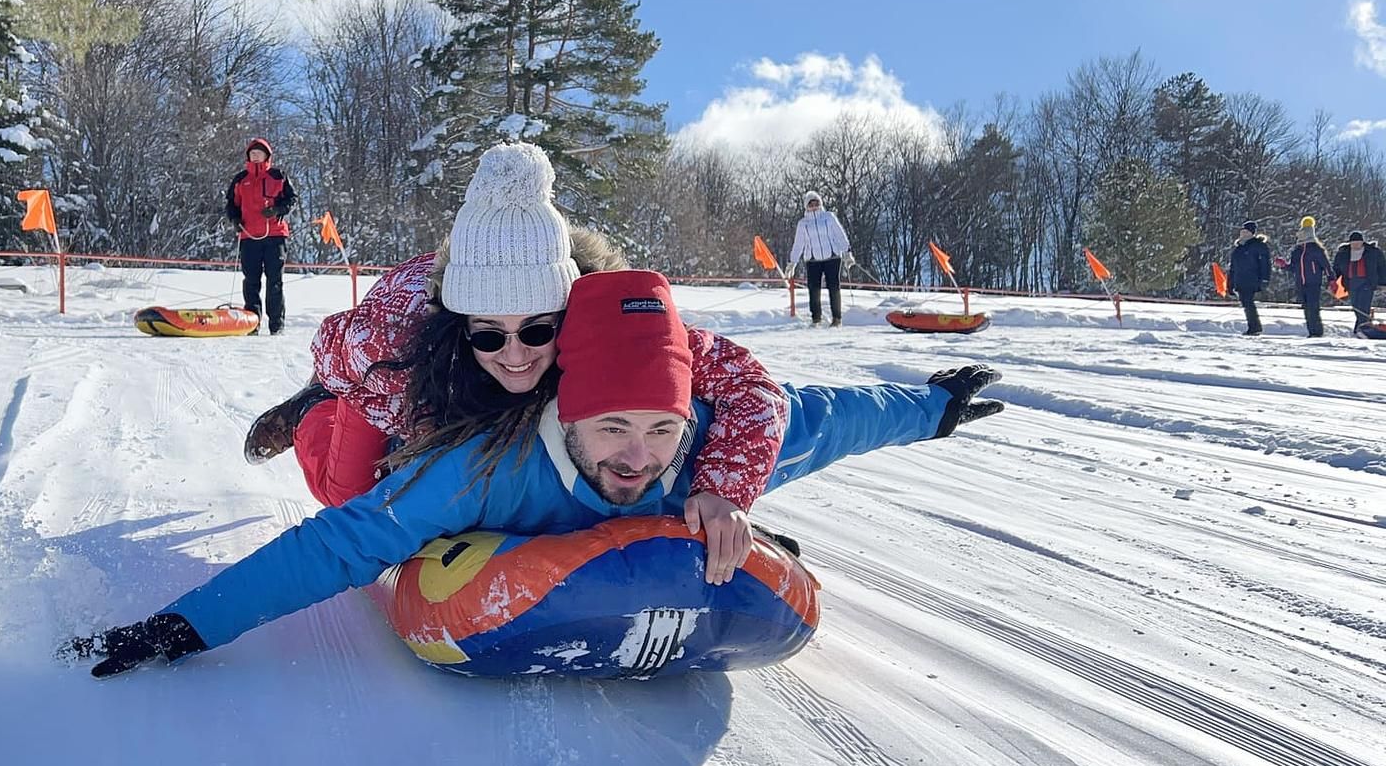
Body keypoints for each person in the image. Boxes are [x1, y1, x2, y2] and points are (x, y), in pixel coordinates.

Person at [62, 270, 1005, 678]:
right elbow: (341, 547)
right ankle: (319, 407)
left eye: (660, 431)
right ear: (569, 412)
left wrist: (932, 408)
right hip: (398, 414)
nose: (639, 458)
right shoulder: (482, 470)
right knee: (346, 478)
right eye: (613, 430)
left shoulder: (704, 452)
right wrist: (184, 626)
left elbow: (828, 419)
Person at [243, 143, 789, 535]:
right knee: (350, 494)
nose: (515, 352)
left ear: (567, 311)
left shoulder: (609, 323)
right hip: (375, 377)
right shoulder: (392, 341)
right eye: (489, 335)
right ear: (463, 325)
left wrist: (720, 487)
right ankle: (311, 414)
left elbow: (752, 387)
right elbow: (332, 347)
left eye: (537, 330)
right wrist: (413, 431)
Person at [226, 137, 296, 335]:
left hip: (275, 235)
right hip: (249, 237)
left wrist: (277, 210)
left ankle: (276, 325)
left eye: (259, 152)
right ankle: (252, 324)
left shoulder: (278, 176)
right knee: (251, 281)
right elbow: (231, 204)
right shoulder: (240, 179)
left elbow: (292, 199)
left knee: (275, 281)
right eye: (252, 153)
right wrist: (235, 219)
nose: (255, 155)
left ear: (267, 156)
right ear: (248, 156)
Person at [788, 190, 852, 327]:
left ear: (820, 203)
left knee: (834, 287)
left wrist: (847, 252)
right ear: (806, 206)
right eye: (810, 204)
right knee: (813, 288)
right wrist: (792, 262)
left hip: (832, 257)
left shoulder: (829, 217)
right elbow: (798, 243)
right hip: (812, 259)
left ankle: (837, 318)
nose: (814, 206)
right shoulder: (803, 223)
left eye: (816, 203)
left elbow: (839, 234)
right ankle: (816, 318)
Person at [1281, 217, 1332, 339]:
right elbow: (1293, 268)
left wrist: (1332, 279)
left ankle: (1317, 332)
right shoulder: (1297, 251)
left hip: (1314, 283)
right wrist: (1284, 265)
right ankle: (1311, 331)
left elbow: (1326, 266)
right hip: (1301, 283)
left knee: (1313, 308)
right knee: (1306, 308)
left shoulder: (1316, 249)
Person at [1332, 230, 1385, 334]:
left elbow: (1382, 268)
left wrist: (1383, 283)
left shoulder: (1373, 252)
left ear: (1362, 242)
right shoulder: (1343, 254)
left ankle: (1362, 330)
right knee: (1356, 307)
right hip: (1350, 283)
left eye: (1358, 242)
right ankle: (1363, 328)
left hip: (1367, 283)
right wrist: (1334, 283)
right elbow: (1336, 269)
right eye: (1353, 243)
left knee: (1363, 307)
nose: (1356, 245)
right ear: (1350, 243)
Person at [1227, 221, 1272, 335]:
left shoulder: (1258, 246)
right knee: (1246, 303)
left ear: (1252, 233)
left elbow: (1265, 264)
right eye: (1242, 231)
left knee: (1248, 302)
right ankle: (1253, 326)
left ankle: (1255, 327)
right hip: (1240, 279)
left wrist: (1265, 279)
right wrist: (1230, 283)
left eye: (1246, 231)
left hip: (1252, 279)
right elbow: (1233, 267)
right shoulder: (1238, 248)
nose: (1243, 233)